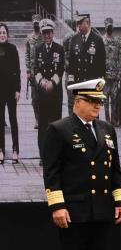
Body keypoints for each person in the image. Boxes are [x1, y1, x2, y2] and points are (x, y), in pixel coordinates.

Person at [42, 78, 121, 250]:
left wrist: (120, 199)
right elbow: (52, 172)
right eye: (92, 101)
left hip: (101, 208)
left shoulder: (106, 129)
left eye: (99, 102)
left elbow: (115, 170)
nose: (97, 106)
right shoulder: (59, 129)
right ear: (77, 102)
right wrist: (57, 206)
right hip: (74, 210)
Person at [33, 19, 65, 165]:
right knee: (42, 127)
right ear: (42, 34)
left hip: (55, 94)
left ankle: (56, 155)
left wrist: (52, 82)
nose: (47, 35)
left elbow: (60, 69)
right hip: (42, 94)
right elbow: (36, 70)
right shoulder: (38, 49)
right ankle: (43, 156)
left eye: (49, 33)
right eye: (44, 33)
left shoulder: (59, 49)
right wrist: (42, 82)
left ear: (53, 33)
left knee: (56, 125)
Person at [66, 13, 105, 116]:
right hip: (79, 83)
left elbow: (102, 65)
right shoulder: (74, 39)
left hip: (92, 84)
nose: (78, 26)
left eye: (80, 23)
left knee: (92, 113)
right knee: (80, 113)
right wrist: (71, 81)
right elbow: (71, 63)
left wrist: (100, 85)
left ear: (87, 23)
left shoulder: (97, 40)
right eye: (77, 23)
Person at [0, 23, 21, 164]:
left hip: (11, 91)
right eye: (0, 32)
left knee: (13, 120)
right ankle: (1, 150)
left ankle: (15, 150)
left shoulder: (13, 49)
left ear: (8, 35)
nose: (2, 35)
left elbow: (18, 71)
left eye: (4, 32)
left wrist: (18, 89)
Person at [102, 18, 121, 125]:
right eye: (108, 26)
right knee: (105, 100)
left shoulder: (117, 41)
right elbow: (99, 58)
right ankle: (107, 121)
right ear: (105, 27)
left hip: (114, 76)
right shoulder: (101, 41)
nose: (109, 28)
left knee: (114, 99)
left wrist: (119, 72)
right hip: (105, 76)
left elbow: (120, 58)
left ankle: (114, 120)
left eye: (111, 26)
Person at [25, 14, 43, 129]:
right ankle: (37, 119)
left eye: (37, 22)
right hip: (32, 73)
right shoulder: (29, 38)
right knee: (35, 98)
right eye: (34, 22)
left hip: (42, 73)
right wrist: (27, 70)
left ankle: (43, 118)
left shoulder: (43, 37)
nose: (36, 24)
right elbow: (27, 54)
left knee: (43, 97)